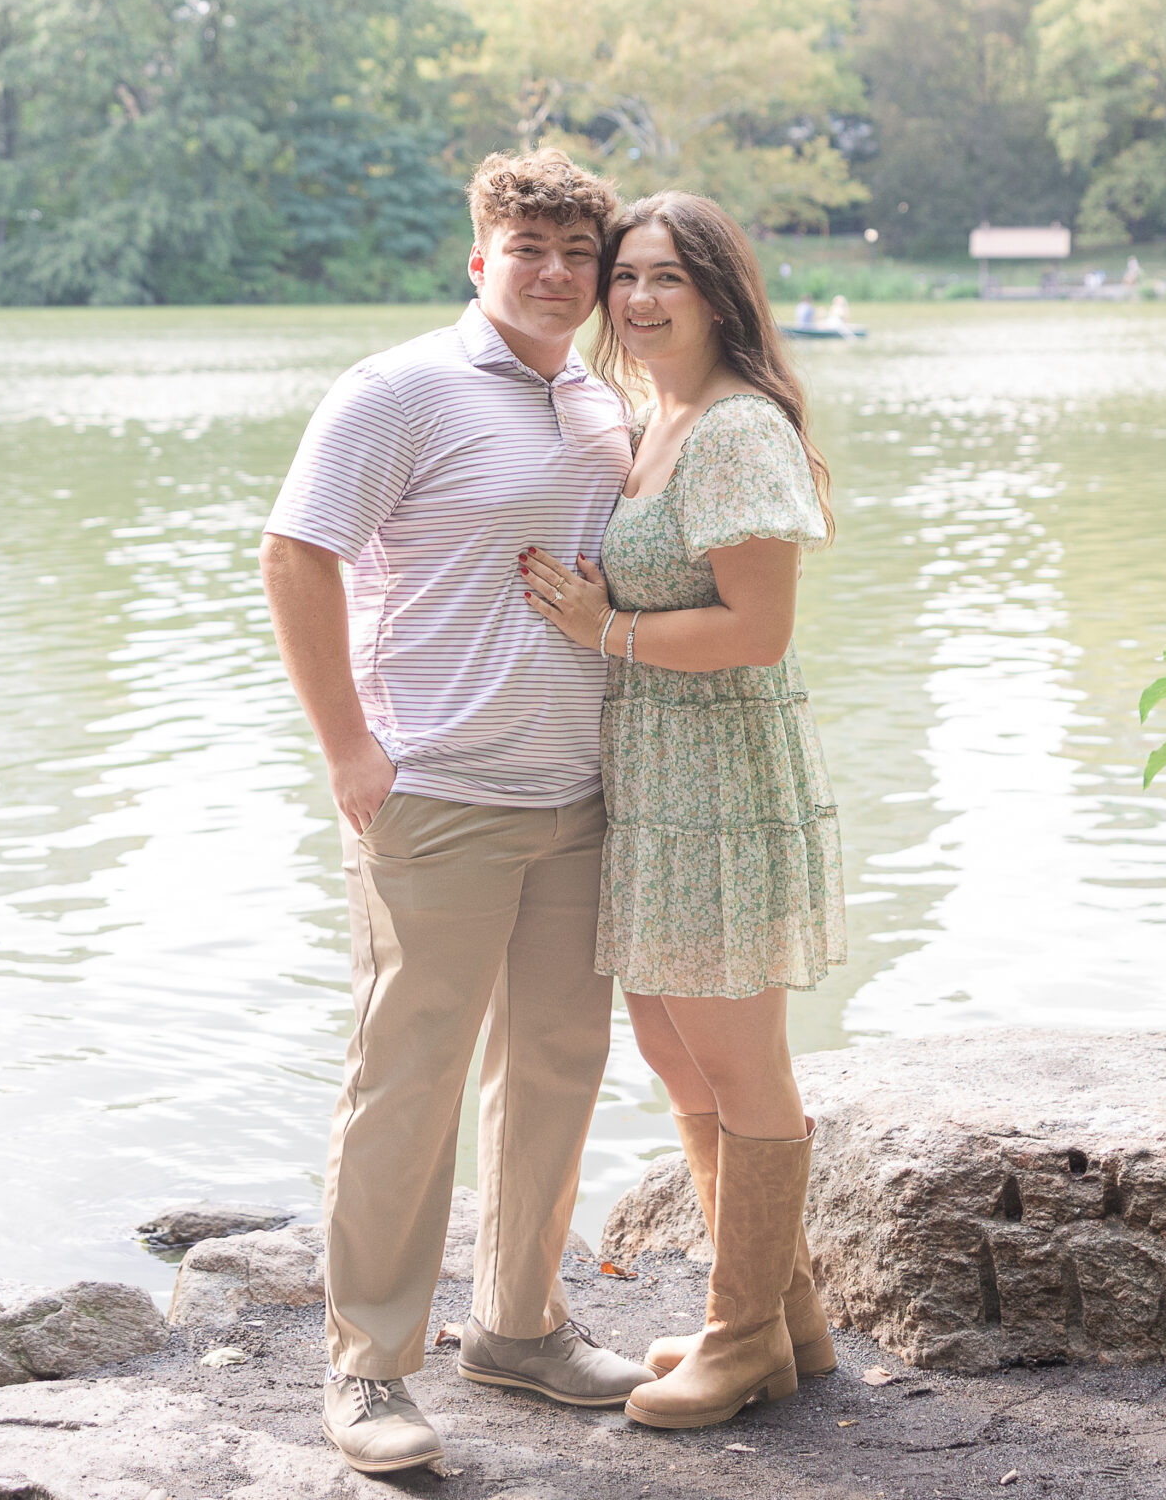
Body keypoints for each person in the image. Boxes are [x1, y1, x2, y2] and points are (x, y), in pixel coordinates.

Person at [260, 149, 653, 1477]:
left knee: (553, 1068)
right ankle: (367, 1368)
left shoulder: (602, 402)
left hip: (576, 796)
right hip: (432, 794)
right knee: (405, 1082)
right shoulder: (397, 390)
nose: (550, 275)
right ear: (476, 256)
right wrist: (349, 751)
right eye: (524, 249)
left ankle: (519, 1327)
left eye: (574, 257)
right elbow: (294, 554)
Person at [521, 190, 845, 1433]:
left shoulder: (738, 429)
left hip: (719, 776)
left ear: (720, 293)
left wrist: (603, 624)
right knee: (672, 1048)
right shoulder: (658, 418)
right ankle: (788, 1319)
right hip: (654, 773)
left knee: (737, 1059)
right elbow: (682, 580)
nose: (639, 298)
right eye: (626, 277)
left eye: (668, 277)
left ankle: (740, 1338)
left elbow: (759, 629)